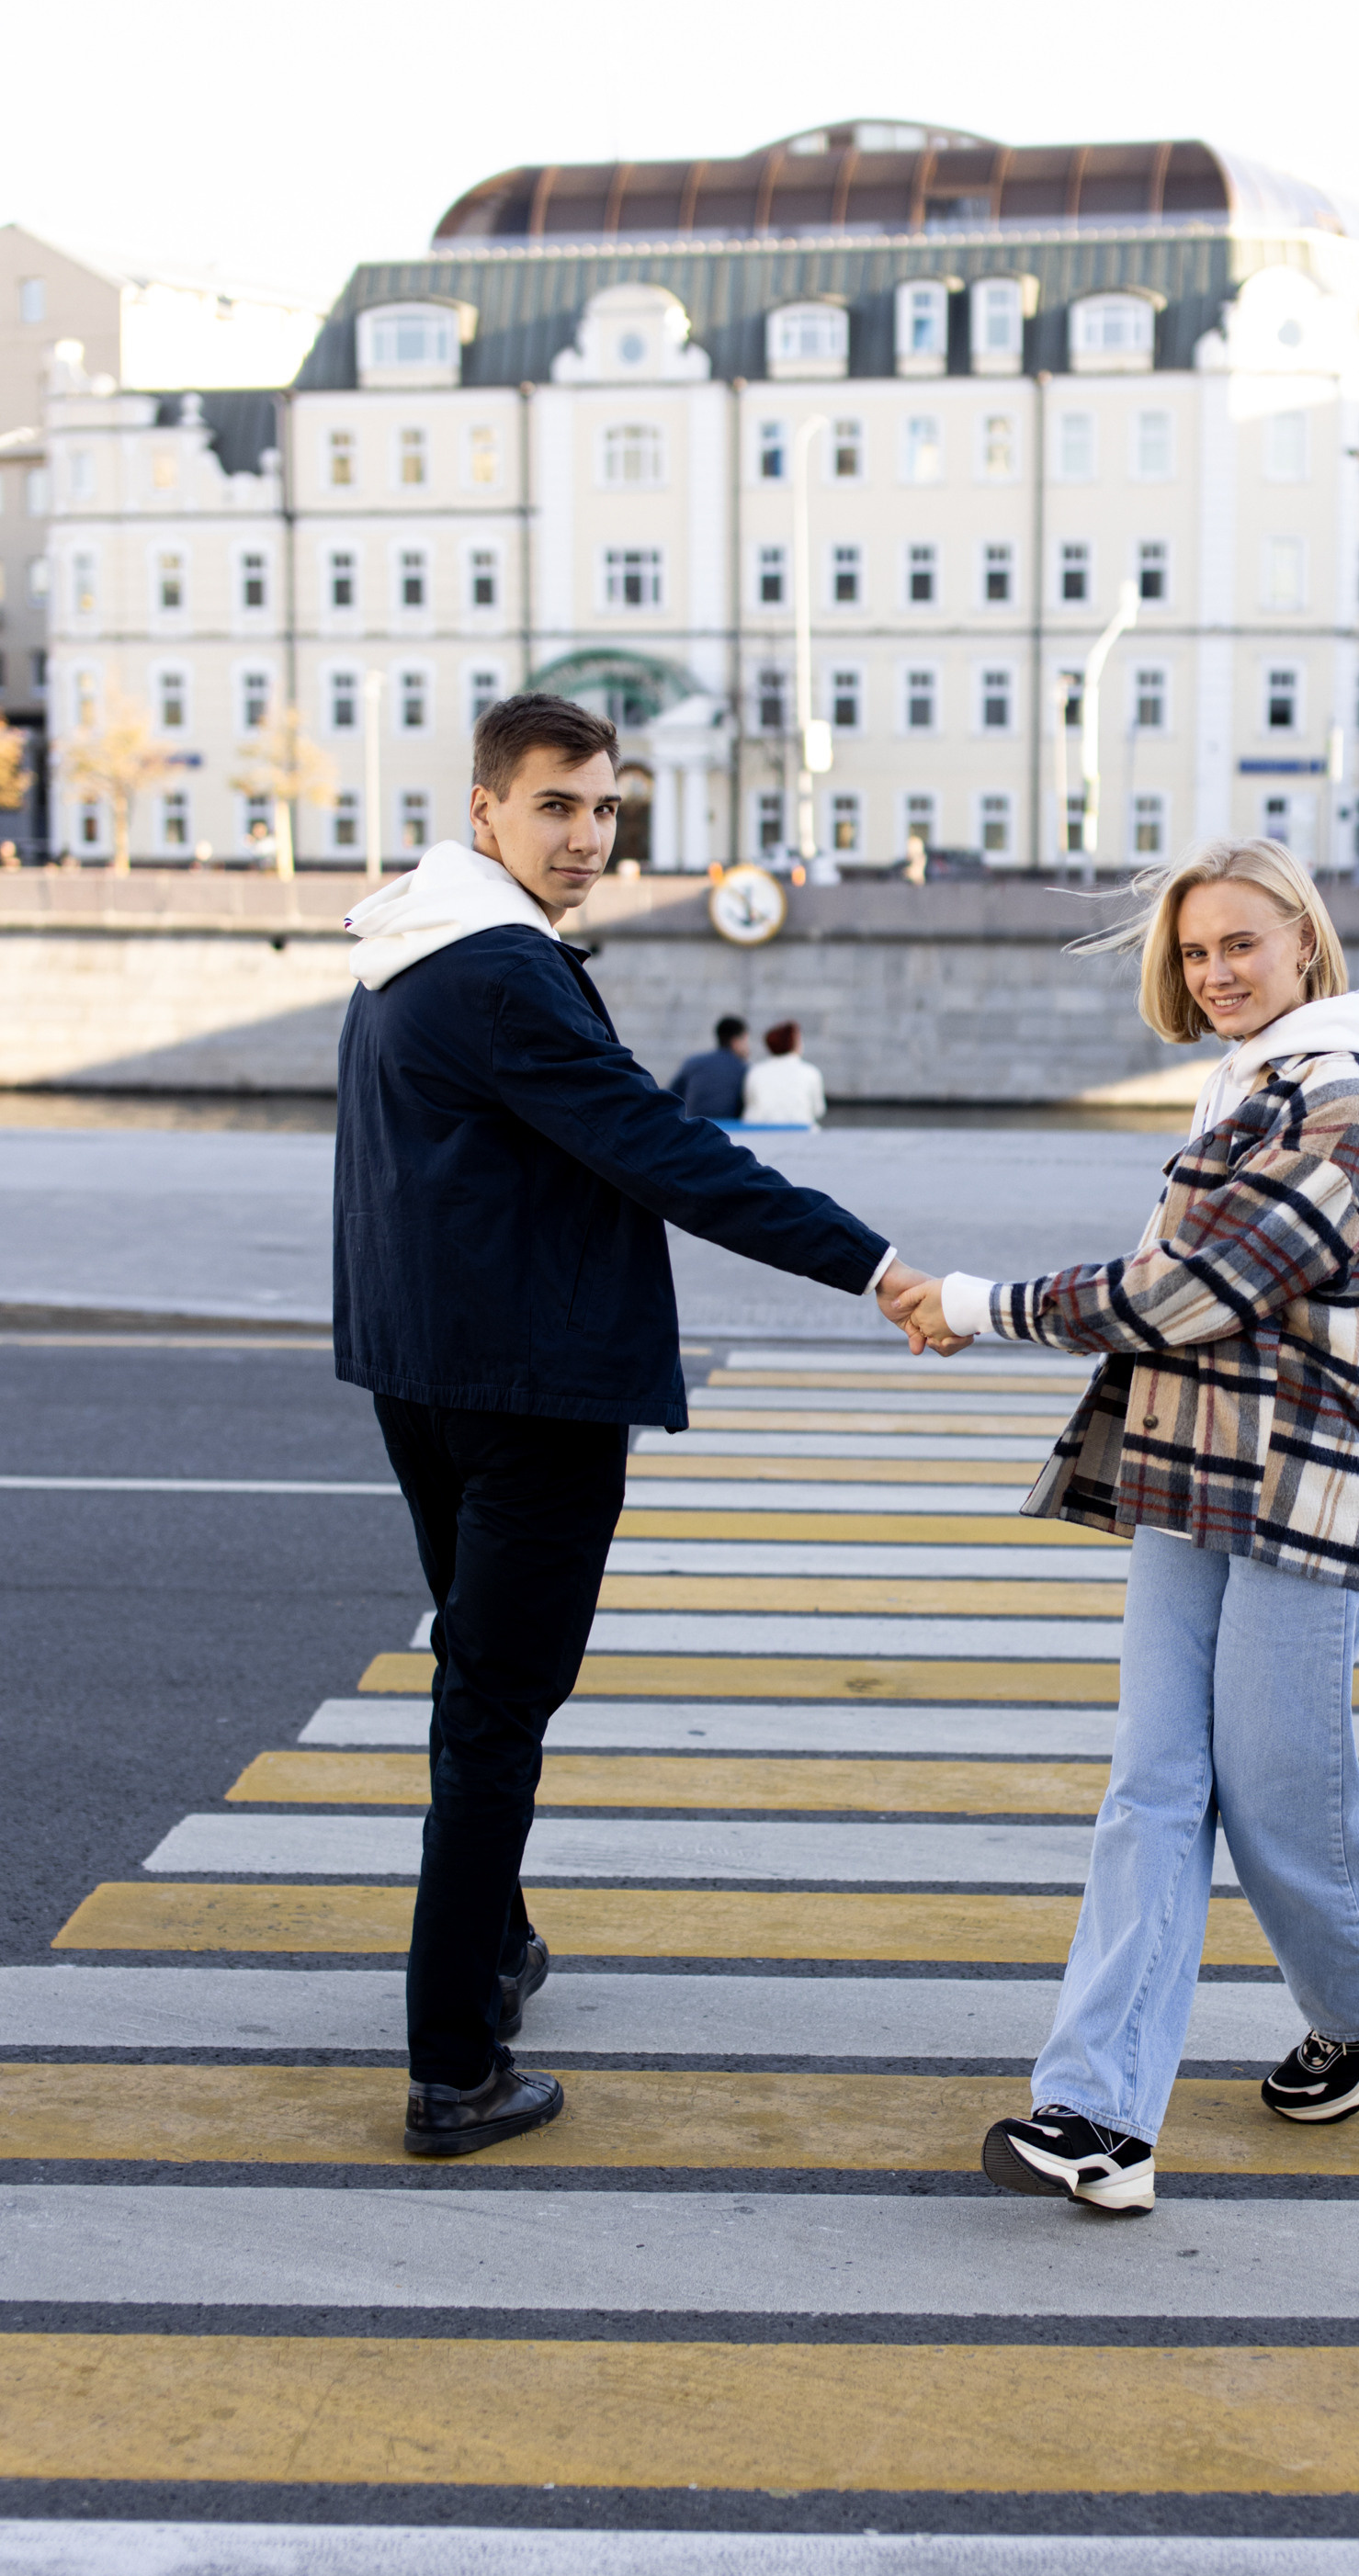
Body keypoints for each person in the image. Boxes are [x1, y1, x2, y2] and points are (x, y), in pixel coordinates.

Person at [334, 692, 937, 2159]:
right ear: (487, 811)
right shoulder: (496, 973)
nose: (590, 836)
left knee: (477, 1684)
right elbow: (662, 1148)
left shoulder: (402, 951)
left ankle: (494, 1951)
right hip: (529, 1394)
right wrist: (873, 1264)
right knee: (497, 1715)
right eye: (558, 805)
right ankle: (452, 2069)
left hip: (426, 1372)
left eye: (607, 808)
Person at [891, 836, 1359, 2218]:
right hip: (1189, 1480)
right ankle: (1096, 2118)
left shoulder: (1349, 1102)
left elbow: (1193, 1290)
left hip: (1306, 1496)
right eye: (1196, 955)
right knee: (1150, 1787)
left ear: (1305, 943)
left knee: (1270, 1795)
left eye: (1242, 945)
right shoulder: (1240, 1089)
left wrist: (975, 1303)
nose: (1217, 974)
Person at [742, 1019, 826, 1128]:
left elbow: (750, 1105)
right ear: (794, 1043)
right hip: (801, 1133)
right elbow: (818, 1110)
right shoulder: (810, 1072)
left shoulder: (756, 1072)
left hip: (760, 1133)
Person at [669, 1015, 750, 1122]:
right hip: (729, 1131)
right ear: (735, 1041)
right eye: (746, 1040)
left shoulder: (693, 1062)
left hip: (694, 1128)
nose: (748, 1046)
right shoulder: (743, 1069)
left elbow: (672, 1096)